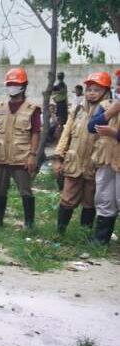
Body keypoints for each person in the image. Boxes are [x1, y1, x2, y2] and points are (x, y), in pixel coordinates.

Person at [52, 72, 109, 234]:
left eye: (97, 90)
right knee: (67, 198)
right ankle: (60, 232)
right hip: (74, 162)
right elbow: (66, 134)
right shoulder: (78, 108)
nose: (92, 93)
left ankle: (84, 233)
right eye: (89, 89)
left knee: (90, 201)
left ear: (105, 91)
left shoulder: (109, 111)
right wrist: (58, 157)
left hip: (95, 164)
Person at [0, 68, 41, 228]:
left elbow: (36, 133)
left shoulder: (32, 109)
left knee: (25, 191)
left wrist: (32, 155)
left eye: (15, 84)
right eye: (9, 84)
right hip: (1, 156)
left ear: (23, 86)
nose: (12, 87)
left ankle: (29, 224)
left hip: (21, 157)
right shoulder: (0, 108)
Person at [86, 70, 120, 245]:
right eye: (119, 84)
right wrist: (111, 111)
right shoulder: (107, 105)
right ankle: (101, 240)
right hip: (105, 159)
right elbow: (91, 126)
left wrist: (115, 133)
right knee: (104, 197)